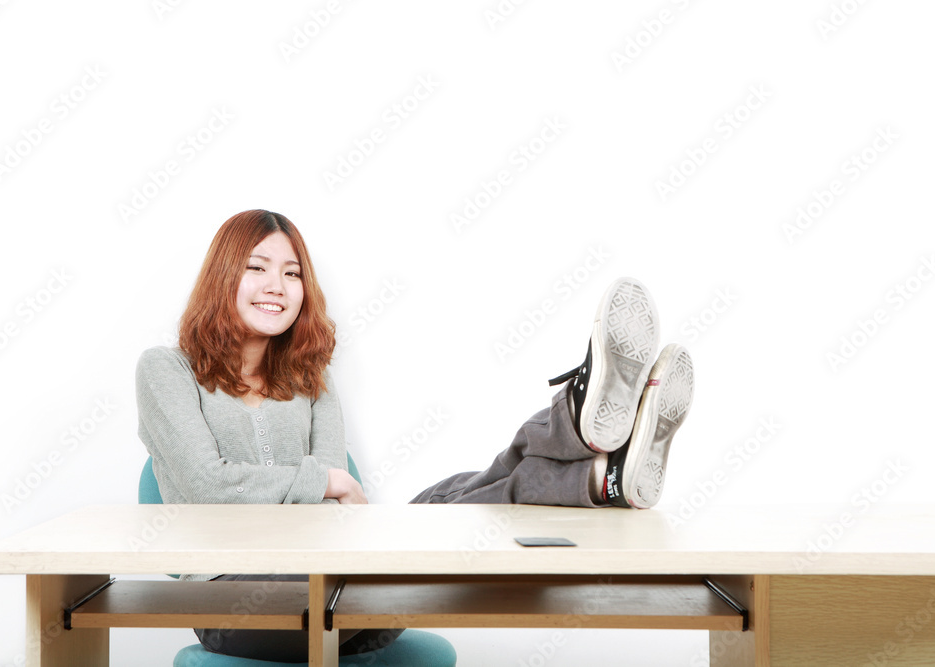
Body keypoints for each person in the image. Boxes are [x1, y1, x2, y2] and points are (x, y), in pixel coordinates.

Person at [135, 209, 694, 662]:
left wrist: (330, 489)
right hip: (235, 605)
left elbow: (335, 513)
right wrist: (324, 481)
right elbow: (204, 484)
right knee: (418, 542)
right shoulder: (167, 370)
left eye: (292, 272)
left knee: (450, 497)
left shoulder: (310, 381)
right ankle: (577, 436)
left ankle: (592, 460)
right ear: (223, 274)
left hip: (347, 595)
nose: (276, 287)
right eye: (257, 268)